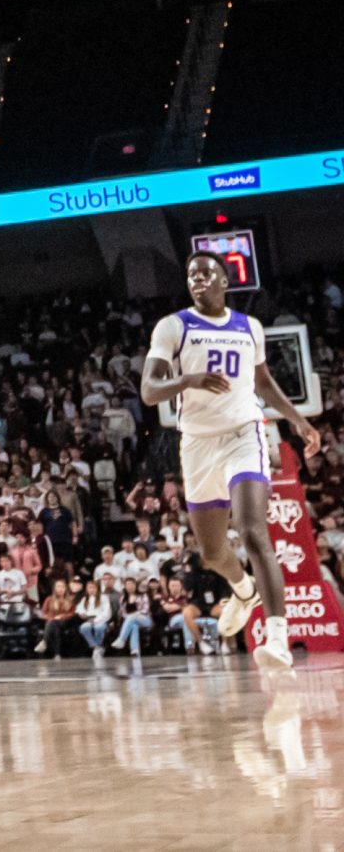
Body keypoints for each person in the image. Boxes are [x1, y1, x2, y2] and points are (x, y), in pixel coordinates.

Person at [140, 253, 322, 668]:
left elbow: (263, 382)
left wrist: (298, 421)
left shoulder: (249, 327)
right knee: (211, 552)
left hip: (245, 433)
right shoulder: (173, 326)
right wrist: (188, 379)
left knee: (253, 530)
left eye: (206, 273)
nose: (198, 279)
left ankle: (277, 639)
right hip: (198, 443)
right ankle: (243, 590)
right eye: (191, 275)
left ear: (225, 278)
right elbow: (150, 391)